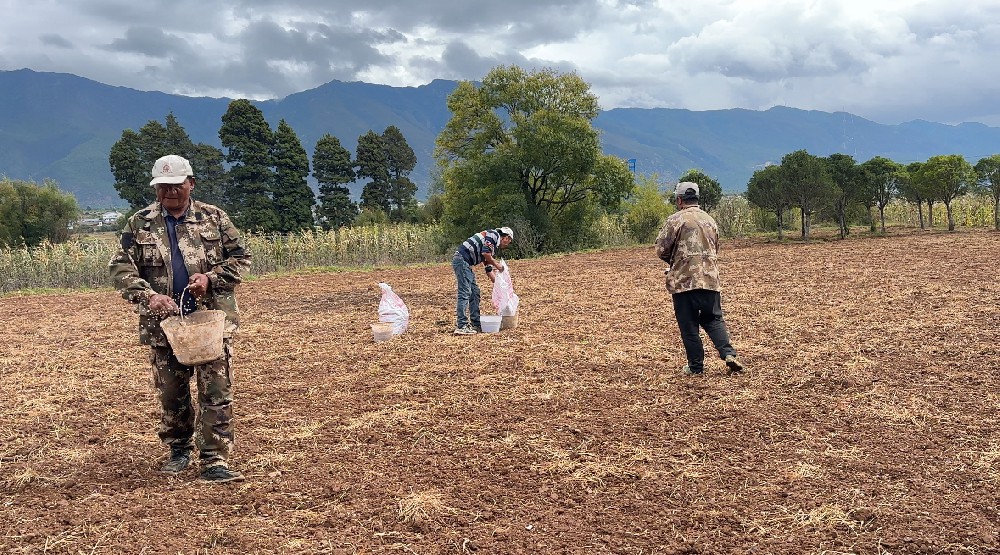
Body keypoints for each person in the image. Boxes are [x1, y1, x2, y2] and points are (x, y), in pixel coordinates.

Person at [109, 154, 251, 482]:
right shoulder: (139, 223)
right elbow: (120, 267)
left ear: (191, 184)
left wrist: (211, 279)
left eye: (176, 185)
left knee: (215, 390)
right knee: (172, 393)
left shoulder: (214, 218)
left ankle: (215, 460)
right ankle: (179, 449)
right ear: (155, 188)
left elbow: (242, 258)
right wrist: (149, 296)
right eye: (163, 186)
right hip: (164, 325)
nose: (170, 192)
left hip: (209, 321)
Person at [654, 181, 744, 376]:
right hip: (710, 280)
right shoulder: (710, 220)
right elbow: (715, 248)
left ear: (679, 200)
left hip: (684, 283)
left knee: (689, 326)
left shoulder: (675, 220)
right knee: (714, 319)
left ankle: (696, 367)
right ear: (696, 198)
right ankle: (728, 353)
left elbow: (661, 249)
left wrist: (675, 262)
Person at [451, 226, 513, 334]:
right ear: (506, 237)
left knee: (475, 292)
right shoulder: (494, 235)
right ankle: (461, 325)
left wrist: (499, 285)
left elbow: (488, 268)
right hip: (462, 260)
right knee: (465, 292)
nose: (507, 244)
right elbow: (485, 254)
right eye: (509, 241)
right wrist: (498, 266)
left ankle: (476, 324)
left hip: (466, 264)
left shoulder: (492, 245)